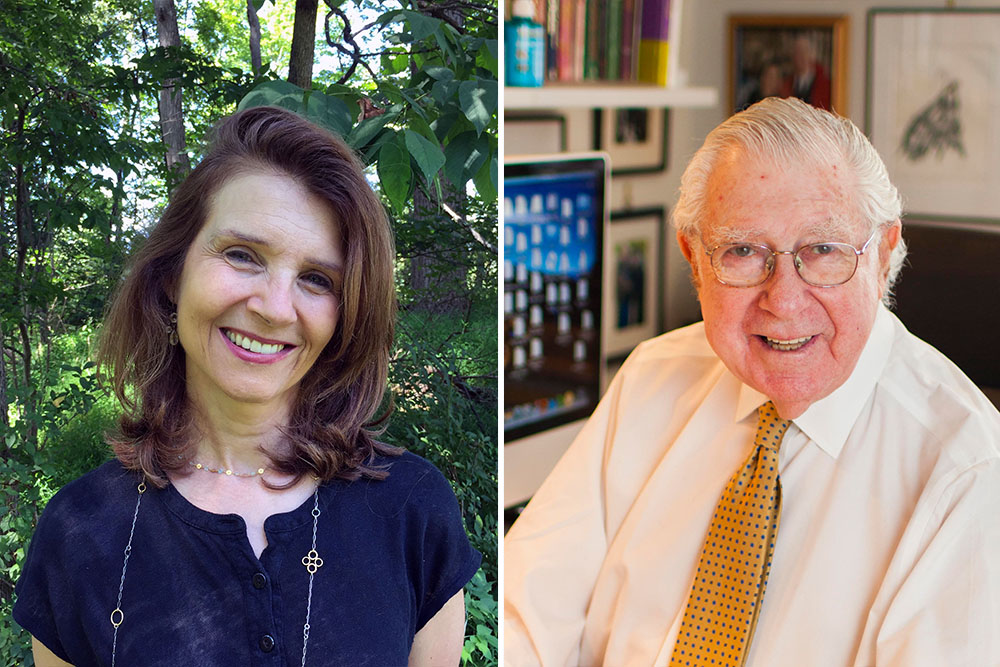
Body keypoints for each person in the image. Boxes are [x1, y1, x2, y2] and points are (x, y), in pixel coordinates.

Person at [504, 97, 1000, 666]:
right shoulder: (652, 376)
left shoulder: (968, 475)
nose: (784, 301)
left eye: (822, 251)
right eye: (743, 251)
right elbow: (525, 616)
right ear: (694, 260)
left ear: (883, 256)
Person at [14, 106, 481, 666]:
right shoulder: (78, 532)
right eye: (242, 255)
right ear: (171, 274)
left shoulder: (412, 509)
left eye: (317, 279)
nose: (275, 308)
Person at [781, 35, 831, 110]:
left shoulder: (824, 83)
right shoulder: (787, 84)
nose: (802, 57)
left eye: (805, 51)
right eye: (798, 53)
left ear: (812, 55)